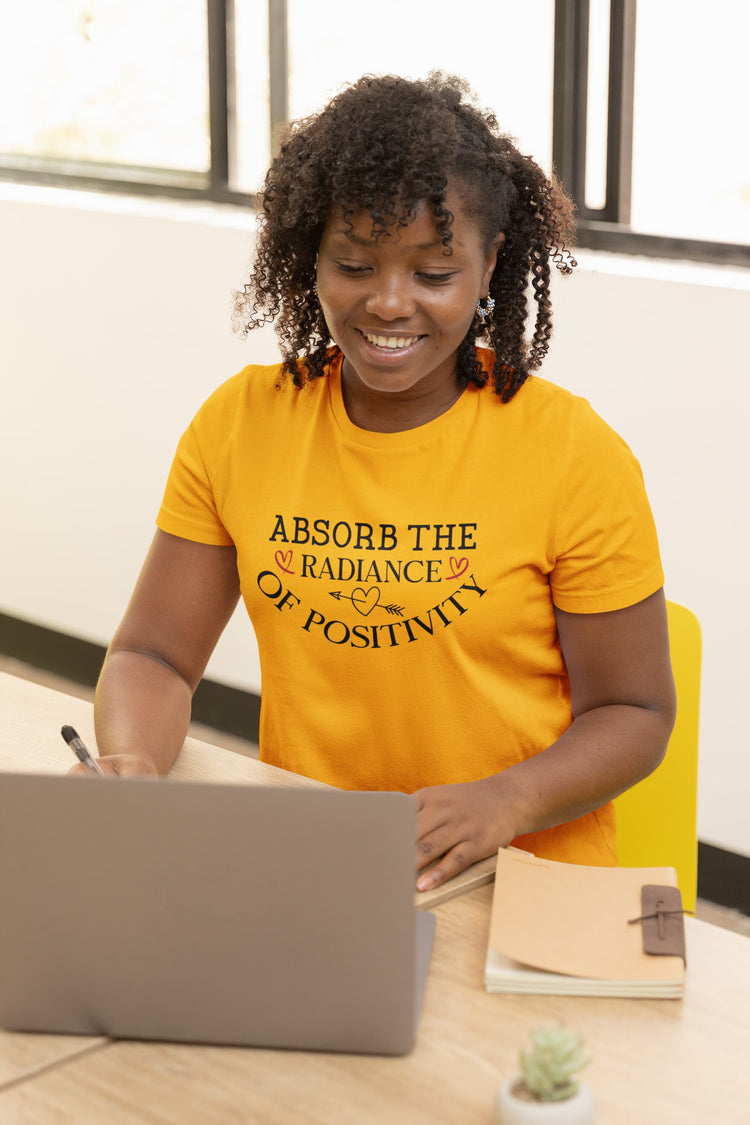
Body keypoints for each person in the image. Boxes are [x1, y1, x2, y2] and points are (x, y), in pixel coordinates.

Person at [87, 72, 676, 892]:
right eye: (355, 264)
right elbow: (154, 653)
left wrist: (505, 799)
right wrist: (132, 761)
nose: (390, 303)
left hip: (524, 881)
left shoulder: (574, 453)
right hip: (328, 866)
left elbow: (636, 712)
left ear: (489, 263)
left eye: (434, 274)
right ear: (313, 258)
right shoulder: (242, 424)